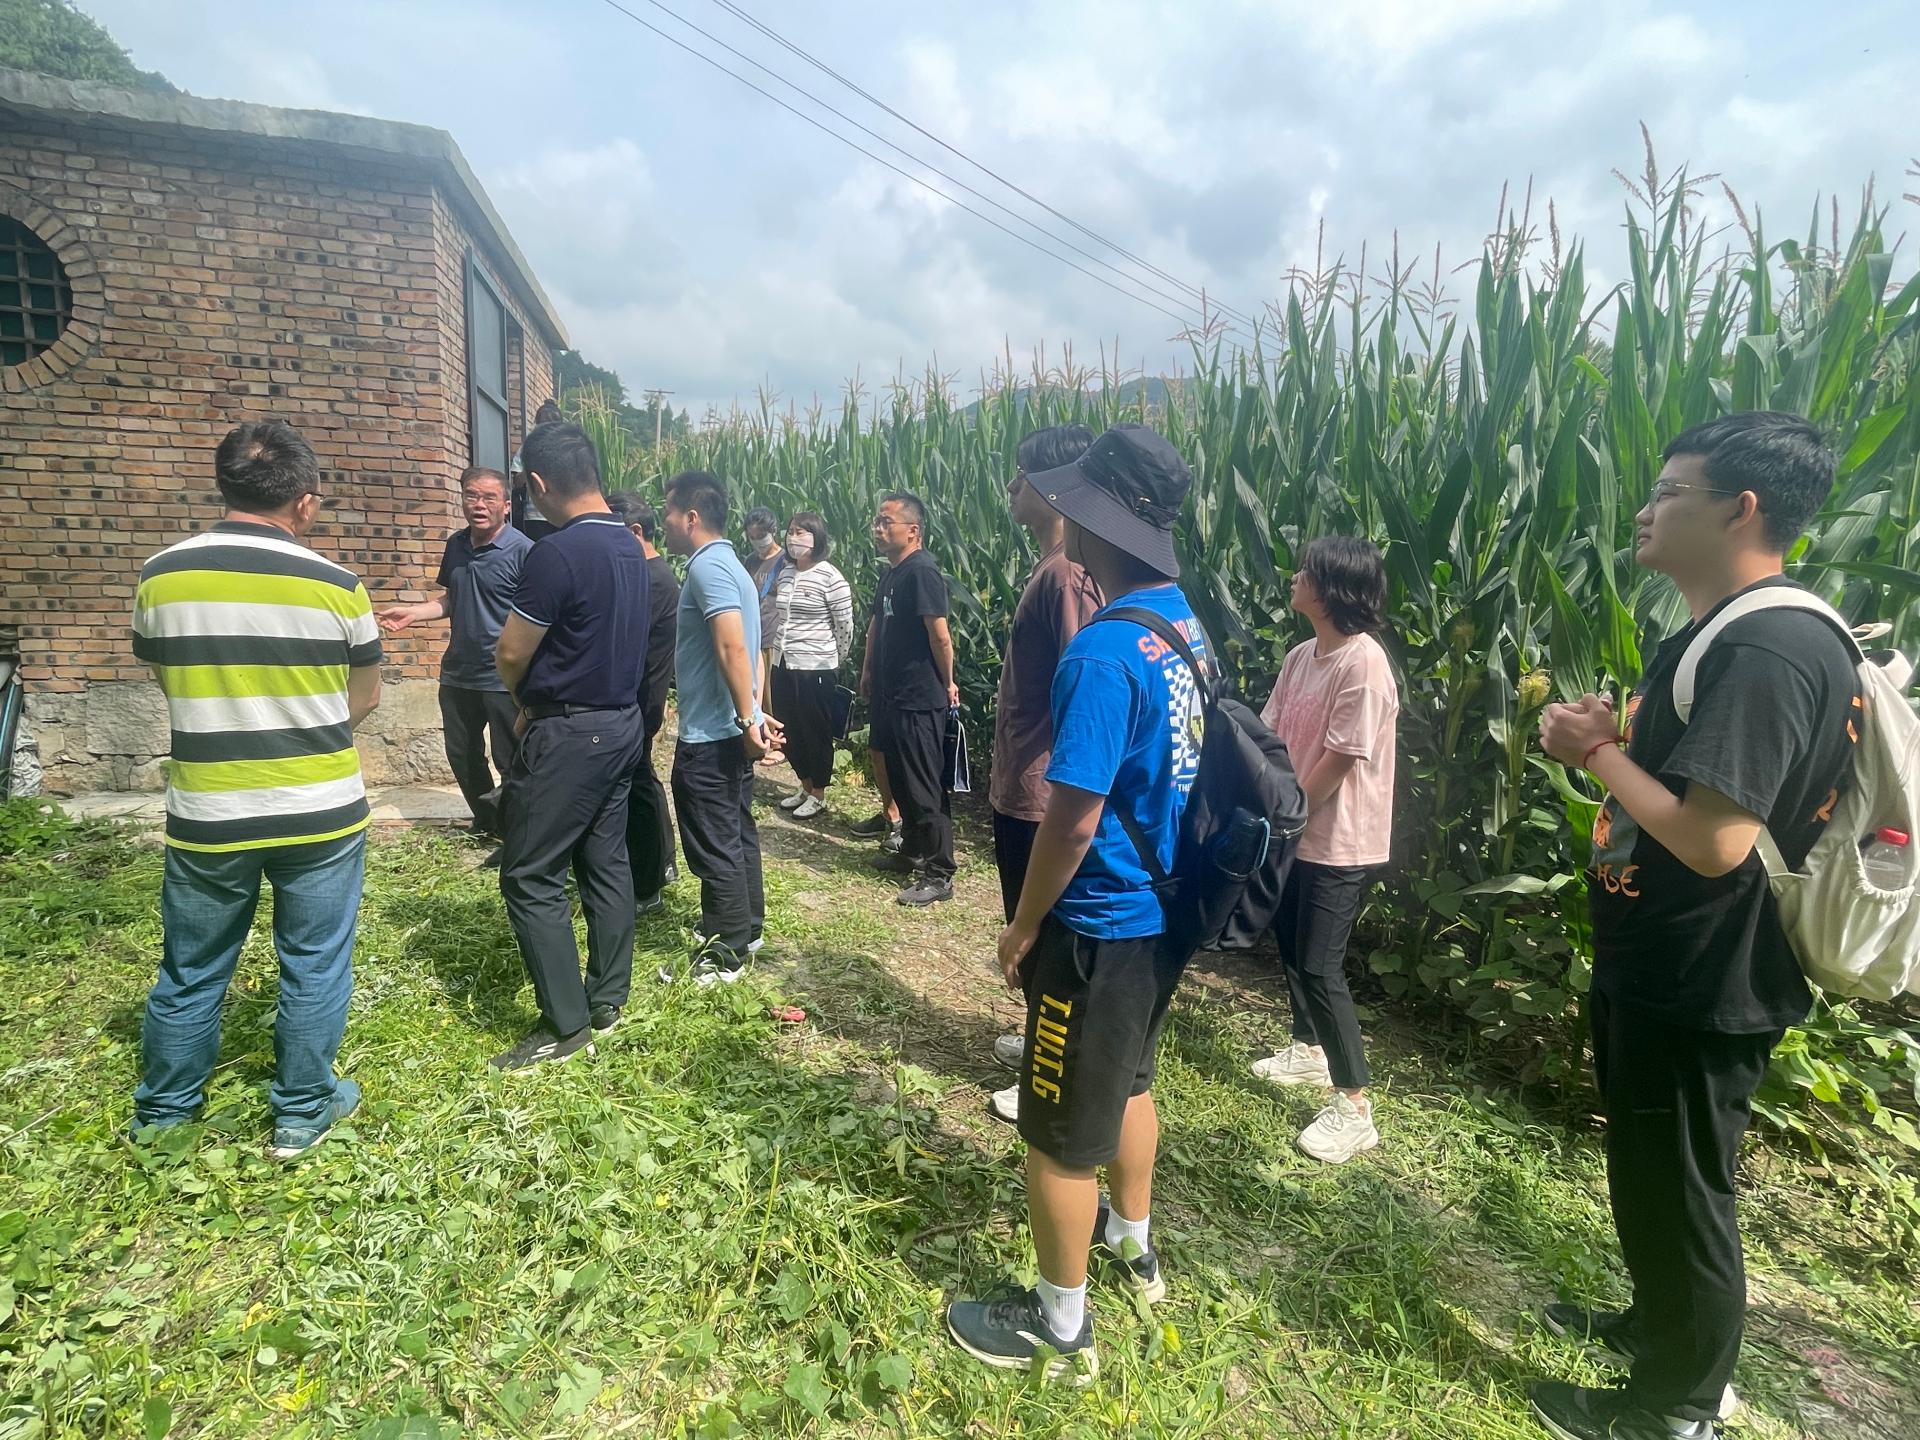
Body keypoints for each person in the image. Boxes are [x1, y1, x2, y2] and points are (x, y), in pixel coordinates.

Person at [1534, 413, 1857, 1440]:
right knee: (1647, 1166)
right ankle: (1656, 1326)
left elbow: (1716, 840)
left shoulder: (1771, 647)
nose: (1645, 509)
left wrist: (1593, 755)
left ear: (1740, 509)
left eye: (1669, 492)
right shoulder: (1725, 630)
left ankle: (1678, 1407)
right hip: (1663, 955)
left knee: (1684, 1186)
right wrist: (1614, 744)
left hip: (1710, 970)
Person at [946, 424, 1205, 1382]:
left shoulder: (1103, 652)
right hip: (1162, 914)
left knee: (1056, 1137)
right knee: (1131, 1082)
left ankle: (1060, 1328)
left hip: (1097, 922)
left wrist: (1023, 926)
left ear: (1095, 520)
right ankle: (1133, 1245)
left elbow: (1073, 819)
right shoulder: (1182, 627)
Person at [129, 420, 382, 1160]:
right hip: (320, 808)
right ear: (304, 501)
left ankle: (165, 1118)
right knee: (315, 961)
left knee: (191, 966)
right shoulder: (338, 586)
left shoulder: (162, 575)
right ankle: (301, 1110)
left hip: (209, 810)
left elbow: (167, 677)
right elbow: (363, 696)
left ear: (225, 484)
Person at [490, 421, 649, 1072]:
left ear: (538, 483)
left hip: (570, 731)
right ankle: (607, 998)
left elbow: (510, 652)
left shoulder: (556, 553)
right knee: (604, 860)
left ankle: (565, 1024)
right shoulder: (630, 545)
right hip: (621, 722)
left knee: (530, 874)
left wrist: (525, 704)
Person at [1247, 537, 1399, 1164]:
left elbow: (1339, 759)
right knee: (1290, 944)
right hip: (1295, 830)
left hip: (1338, 838)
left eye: (1306, 572)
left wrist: (1286, 814)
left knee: (1318, 964)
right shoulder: (1301, 656)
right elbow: (1269, 730)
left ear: (1333, 590)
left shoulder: (1363, 665)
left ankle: (1355, 1105)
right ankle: (1309, 1050)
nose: (1295, 577)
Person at [985, 425, 1101, 1122]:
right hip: (1022, 784)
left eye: (1022, 473)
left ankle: (1051, 1067)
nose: (1011, 486)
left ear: (1055, 487)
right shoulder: (1053, 566)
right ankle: (1038, 1040)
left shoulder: (1065, 575)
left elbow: (1082, 688)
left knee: (1047, 939)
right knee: (1033, 937)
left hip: (1041, 793)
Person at [660, 470, 779, 985]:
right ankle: (745, 927)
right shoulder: (733, 565)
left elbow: (732, 645)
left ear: (691, 517)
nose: (664, 521)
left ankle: (725, 954)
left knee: (714, 841)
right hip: (729, 727)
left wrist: (749, 715)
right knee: (735, 829)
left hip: (711, 734)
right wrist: (752, 711)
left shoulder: (709, 567)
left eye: (668, 511)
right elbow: (751, 648)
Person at [376, 467, 533, 848]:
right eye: (471, 496)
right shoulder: (457, 545)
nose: (479, 505)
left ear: (506, 506)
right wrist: (415, 612)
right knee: (462, 754)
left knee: (510, 760)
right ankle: (487, 822)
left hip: (503, 676)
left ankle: (517, 836)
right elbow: (452, 599)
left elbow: (535, 614)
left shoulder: (524, 551)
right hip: (458, 672)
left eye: (489, 497)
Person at [864, 492, 959, 906]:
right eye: (877, 521)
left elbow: (940, 636)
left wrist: (948, 682)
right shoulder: (893, 572)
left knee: (923, 785)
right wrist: (868, 670)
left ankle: (940, 872)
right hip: (891, 693)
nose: (878, 528)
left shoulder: (922, 572)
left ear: (913, 530)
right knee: (899, 777)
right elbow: (876, 626)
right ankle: (912, 850)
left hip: (919, 696)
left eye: (887, 522)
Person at [608, 493, 681, 911]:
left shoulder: (653, 578)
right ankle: (653, 868)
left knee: (638, 788)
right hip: (634, 700)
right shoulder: (643, 572)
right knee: (639, 782)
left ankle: (650, 880)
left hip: (640, 701)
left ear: (636, 532)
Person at [769, 511, 855, 819]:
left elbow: (844, 625)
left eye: (801, 532)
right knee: (787, 725)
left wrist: (834, 658)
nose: (794, 538)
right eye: (791, 531)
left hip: (816, 664)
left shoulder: (830, 577)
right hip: (783, 660)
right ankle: (804, 784)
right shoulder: (786, 573)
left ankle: (818, 792)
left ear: (817, 538)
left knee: (814, 729)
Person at [744, 505, 789, 761]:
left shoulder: (784, 561)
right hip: (752, 634)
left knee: (770, 692)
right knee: (753, 692)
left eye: (761, 535)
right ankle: (758, 737)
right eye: (752, 536)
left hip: (772, 635)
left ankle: (776, 744)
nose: (757, 541)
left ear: (773, 531)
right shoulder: (750, 561)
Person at [510, 399, 565, 542]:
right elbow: (517, 481)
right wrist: (533, 465)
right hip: (534, 515)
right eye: (542, 424)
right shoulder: (528, 446)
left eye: (552, 424)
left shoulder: (567, 448)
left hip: (562, 513)